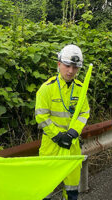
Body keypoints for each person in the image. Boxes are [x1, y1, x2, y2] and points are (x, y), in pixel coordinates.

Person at [35, 44, 90, 200]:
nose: (70, 71)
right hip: (51, 146)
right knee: (45, 190)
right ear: (59, 64)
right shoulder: (46, 88)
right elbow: (41, 116)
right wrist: (58, 136)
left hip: (72, 146)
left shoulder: (80, 89)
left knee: (72, 190)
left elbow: (85, 112)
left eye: (75, 67)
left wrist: (74, 131)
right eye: (67, 66)